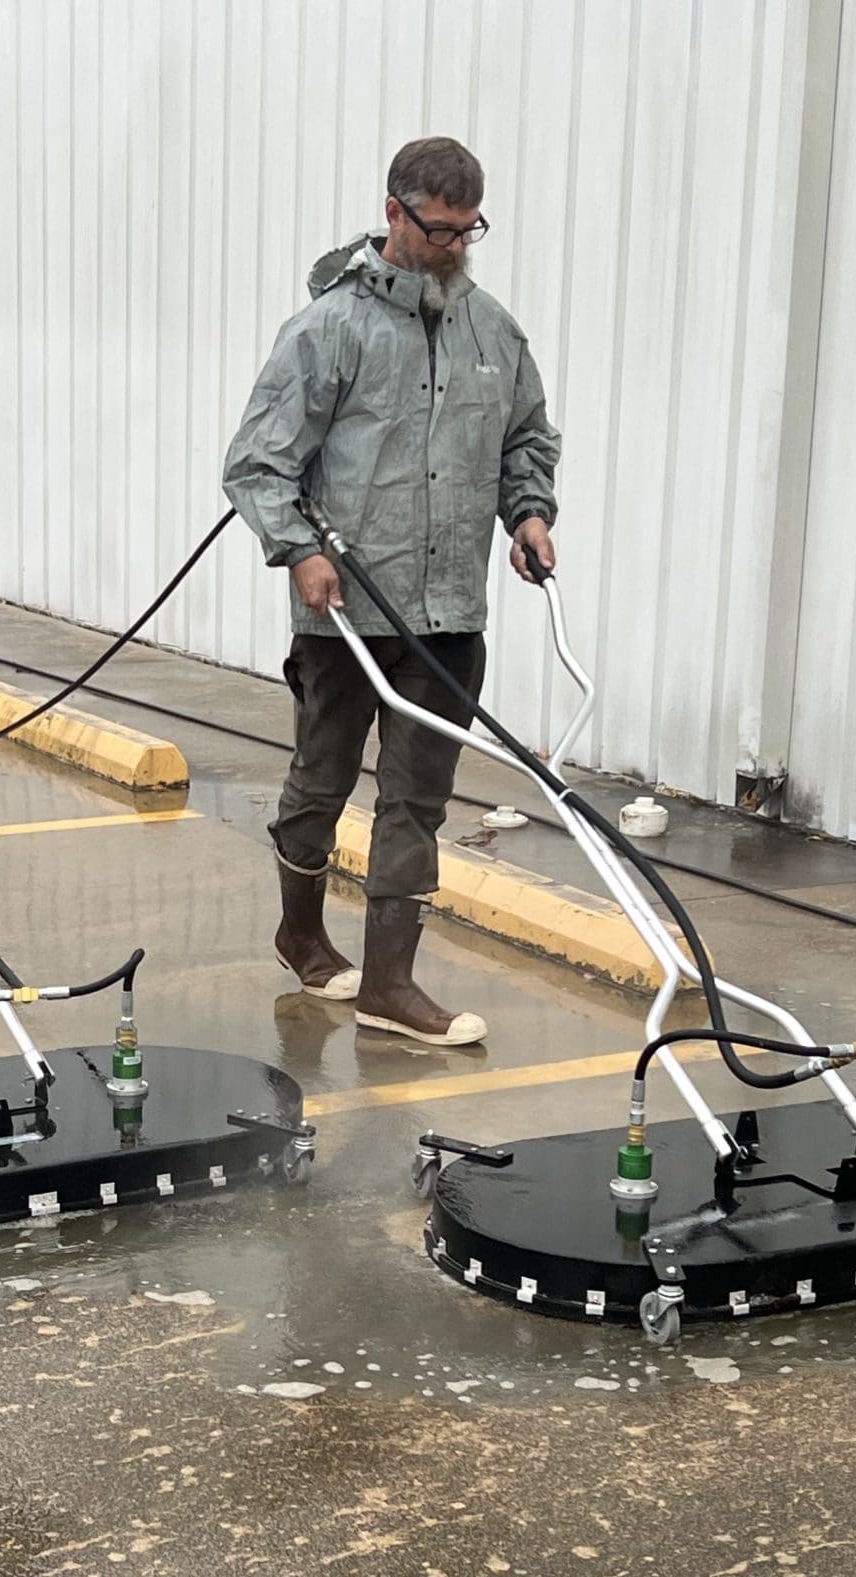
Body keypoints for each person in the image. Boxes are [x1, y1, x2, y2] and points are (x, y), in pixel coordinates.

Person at [223, 137, 562, 1047]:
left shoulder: (494, 331)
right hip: (345, 617)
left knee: (417, 799)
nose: (454, 247)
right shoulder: (327, 332)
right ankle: (299, 930)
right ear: (393, 213)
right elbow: (257, 463)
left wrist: (527, 513)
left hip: (449, 611)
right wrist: (297, 549)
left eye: (468, 231)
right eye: (439, 229)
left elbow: (526, 438)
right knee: (323, 782)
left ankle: (390, 984)